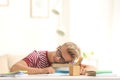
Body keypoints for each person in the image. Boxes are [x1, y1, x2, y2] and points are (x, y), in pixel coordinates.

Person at [10, 42, 96, 75]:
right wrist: (42, 71)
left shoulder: (67, 64)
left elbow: (92, 67)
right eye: (59, 53)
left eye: (62, 59)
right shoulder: (37, 56)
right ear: (58, 47)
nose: (58, 59)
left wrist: (85, 70)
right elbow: (14, 68)